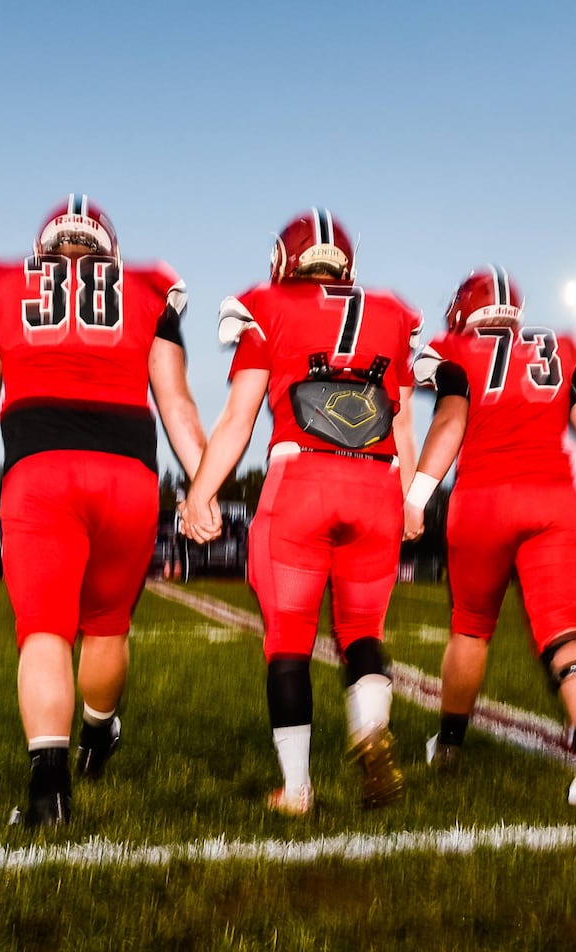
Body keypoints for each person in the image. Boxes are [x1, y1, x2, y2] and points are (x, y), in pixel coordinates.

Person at [0, 194, 206, 827]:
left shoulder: (2, 286)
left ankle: (49, 795)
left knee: (44, 630)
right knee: (108, 625)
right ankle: (97, 732)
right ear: (107, 249)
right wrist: (204, 484)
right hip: (128, 474)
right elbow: (176, 403)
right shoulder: (147, 288)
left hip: (39, 471)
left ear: (45, 245)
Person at [180, 208, 419, 816]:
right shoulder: (392, 312)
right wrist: (412, 497)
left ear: (284, 262)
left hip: (301, 479)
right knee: (363, 630)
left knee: (288, 639)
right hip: (377, 482)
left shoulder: (268, 306)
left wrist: (201, 491)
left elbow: (238, 416)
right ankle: (369, 730)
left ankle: (297, 789)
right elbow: (406, 421)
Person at [405, 266, 576, 804]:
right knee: (568, 628)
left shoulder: (454, 349)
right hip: (555, 501)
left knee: (471, 628)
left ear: (464, 311)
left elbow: (451, 421)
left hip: (484, 499)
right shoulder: (556, 348)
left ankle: (451, 744)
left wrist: (416, 496)